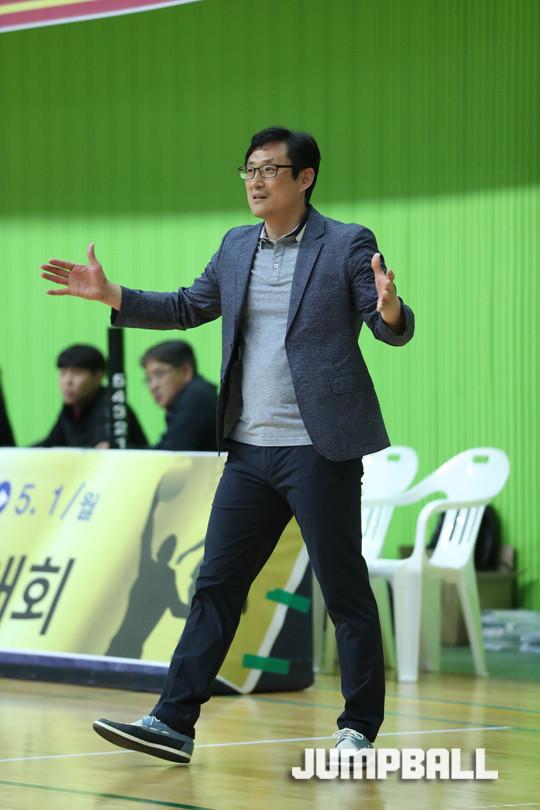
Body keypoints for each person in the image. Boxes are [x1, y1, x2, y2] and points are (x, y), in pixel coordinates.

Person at [40, 126, 415, 765]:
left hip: (318, 448)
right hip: (247, 451)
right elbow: (188, 306)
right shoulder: (237, 245)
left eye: (270, 169)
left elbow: (389, 329)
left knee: (343, 588)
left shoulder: (346, 242)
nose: (256, 181)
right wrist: (112, 295)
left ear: (305, 178)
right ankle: (172, 722)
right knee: (215, 584)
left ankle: (358, 725)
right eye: (249, 170)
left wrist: (390, 310)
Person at [34, 344, 147, 449]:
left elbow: (101, 450)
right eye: (63, 373)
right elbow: (50, 444)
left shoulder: (111, 406)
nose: (67, 381)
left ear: (98, 376)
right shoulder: (72, 408)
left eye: (77, 373)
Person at [141, 340, 217, 451]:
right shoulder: (192, 395)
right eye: (149, 379)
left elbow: (173, 454)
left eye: (159, 374)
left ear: (185, 371)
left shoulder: (196, 397)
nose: (153, 386)